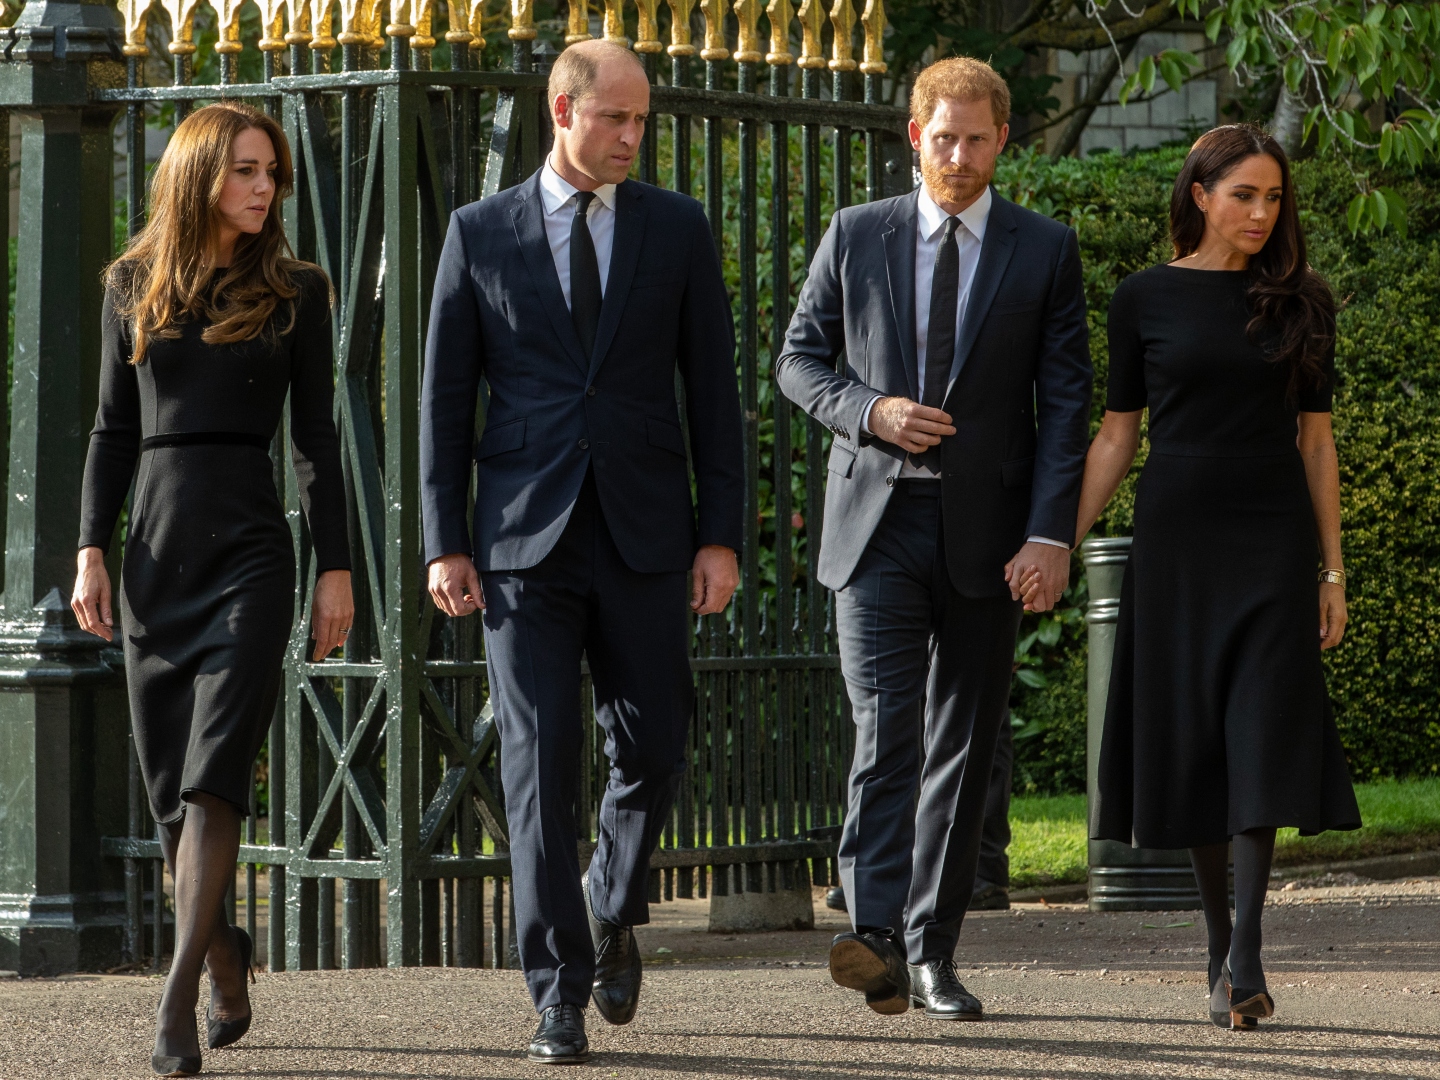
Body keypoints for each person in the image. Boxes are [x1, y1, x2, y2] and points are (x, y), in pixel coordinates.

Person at [421, 39, 744, 1064]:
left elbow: (714, 395)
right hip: (522, 541)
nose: (632, 137)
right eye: (616, 118)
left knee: (652, 743)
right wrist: (445, 541)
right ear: (563, 111)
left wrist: (720, 535)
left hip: (647, 529)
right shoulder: (480, 233)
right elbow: (442, 401)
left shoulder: (678, 229)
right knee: (538, 760)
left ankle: (612, 902)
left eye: (641, 120)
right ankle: (556, 993)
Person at [774, 56, 1092, 1020]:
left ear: (1003, 141)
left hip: (991, 535)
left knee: (964, 742)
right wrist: (869, 410)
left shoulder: (1043, 249)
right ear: (915, 137)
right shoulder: (855, 234)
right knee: (887, 731)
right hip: (876, 525)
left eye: (977, 138)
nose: (958, 155)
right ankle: (871, 934)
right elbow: (798, 362)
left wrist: (1050, 535)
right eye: (942, 137)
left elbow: (1067, 401)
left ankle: (931, 954)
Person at [71, 102, 352, 1076]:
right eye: (244, 170)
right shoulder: (130, 285)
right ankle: (226, 949)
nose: (264, 187)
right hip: (153, 553)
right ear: (199, 175)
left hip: (249, 558)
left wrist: (336, 567)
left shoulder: (297, 291)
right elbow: (111, 430)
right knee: (167, 797)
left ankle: (178, 996)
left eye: (269, 171)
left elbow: (317, 441)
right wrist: (90, 550)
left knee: (213, 775)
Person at [1075, 124, 1361, 1031]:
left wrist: (1333, 569)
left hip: (1273, 543)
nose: (1261, 213)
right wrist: (1051, 540)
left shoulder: (1301, 300)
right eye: (1244, 194)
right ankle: (1216, 941)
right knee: (1195, 734)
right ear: (1200, 193)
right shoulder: (1142, 298)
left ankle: (1245, 950)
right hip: (1178, 542)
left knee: (1262, 732)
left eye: (1274, 198)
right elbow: (1119, 430)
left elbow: (1317, 441)